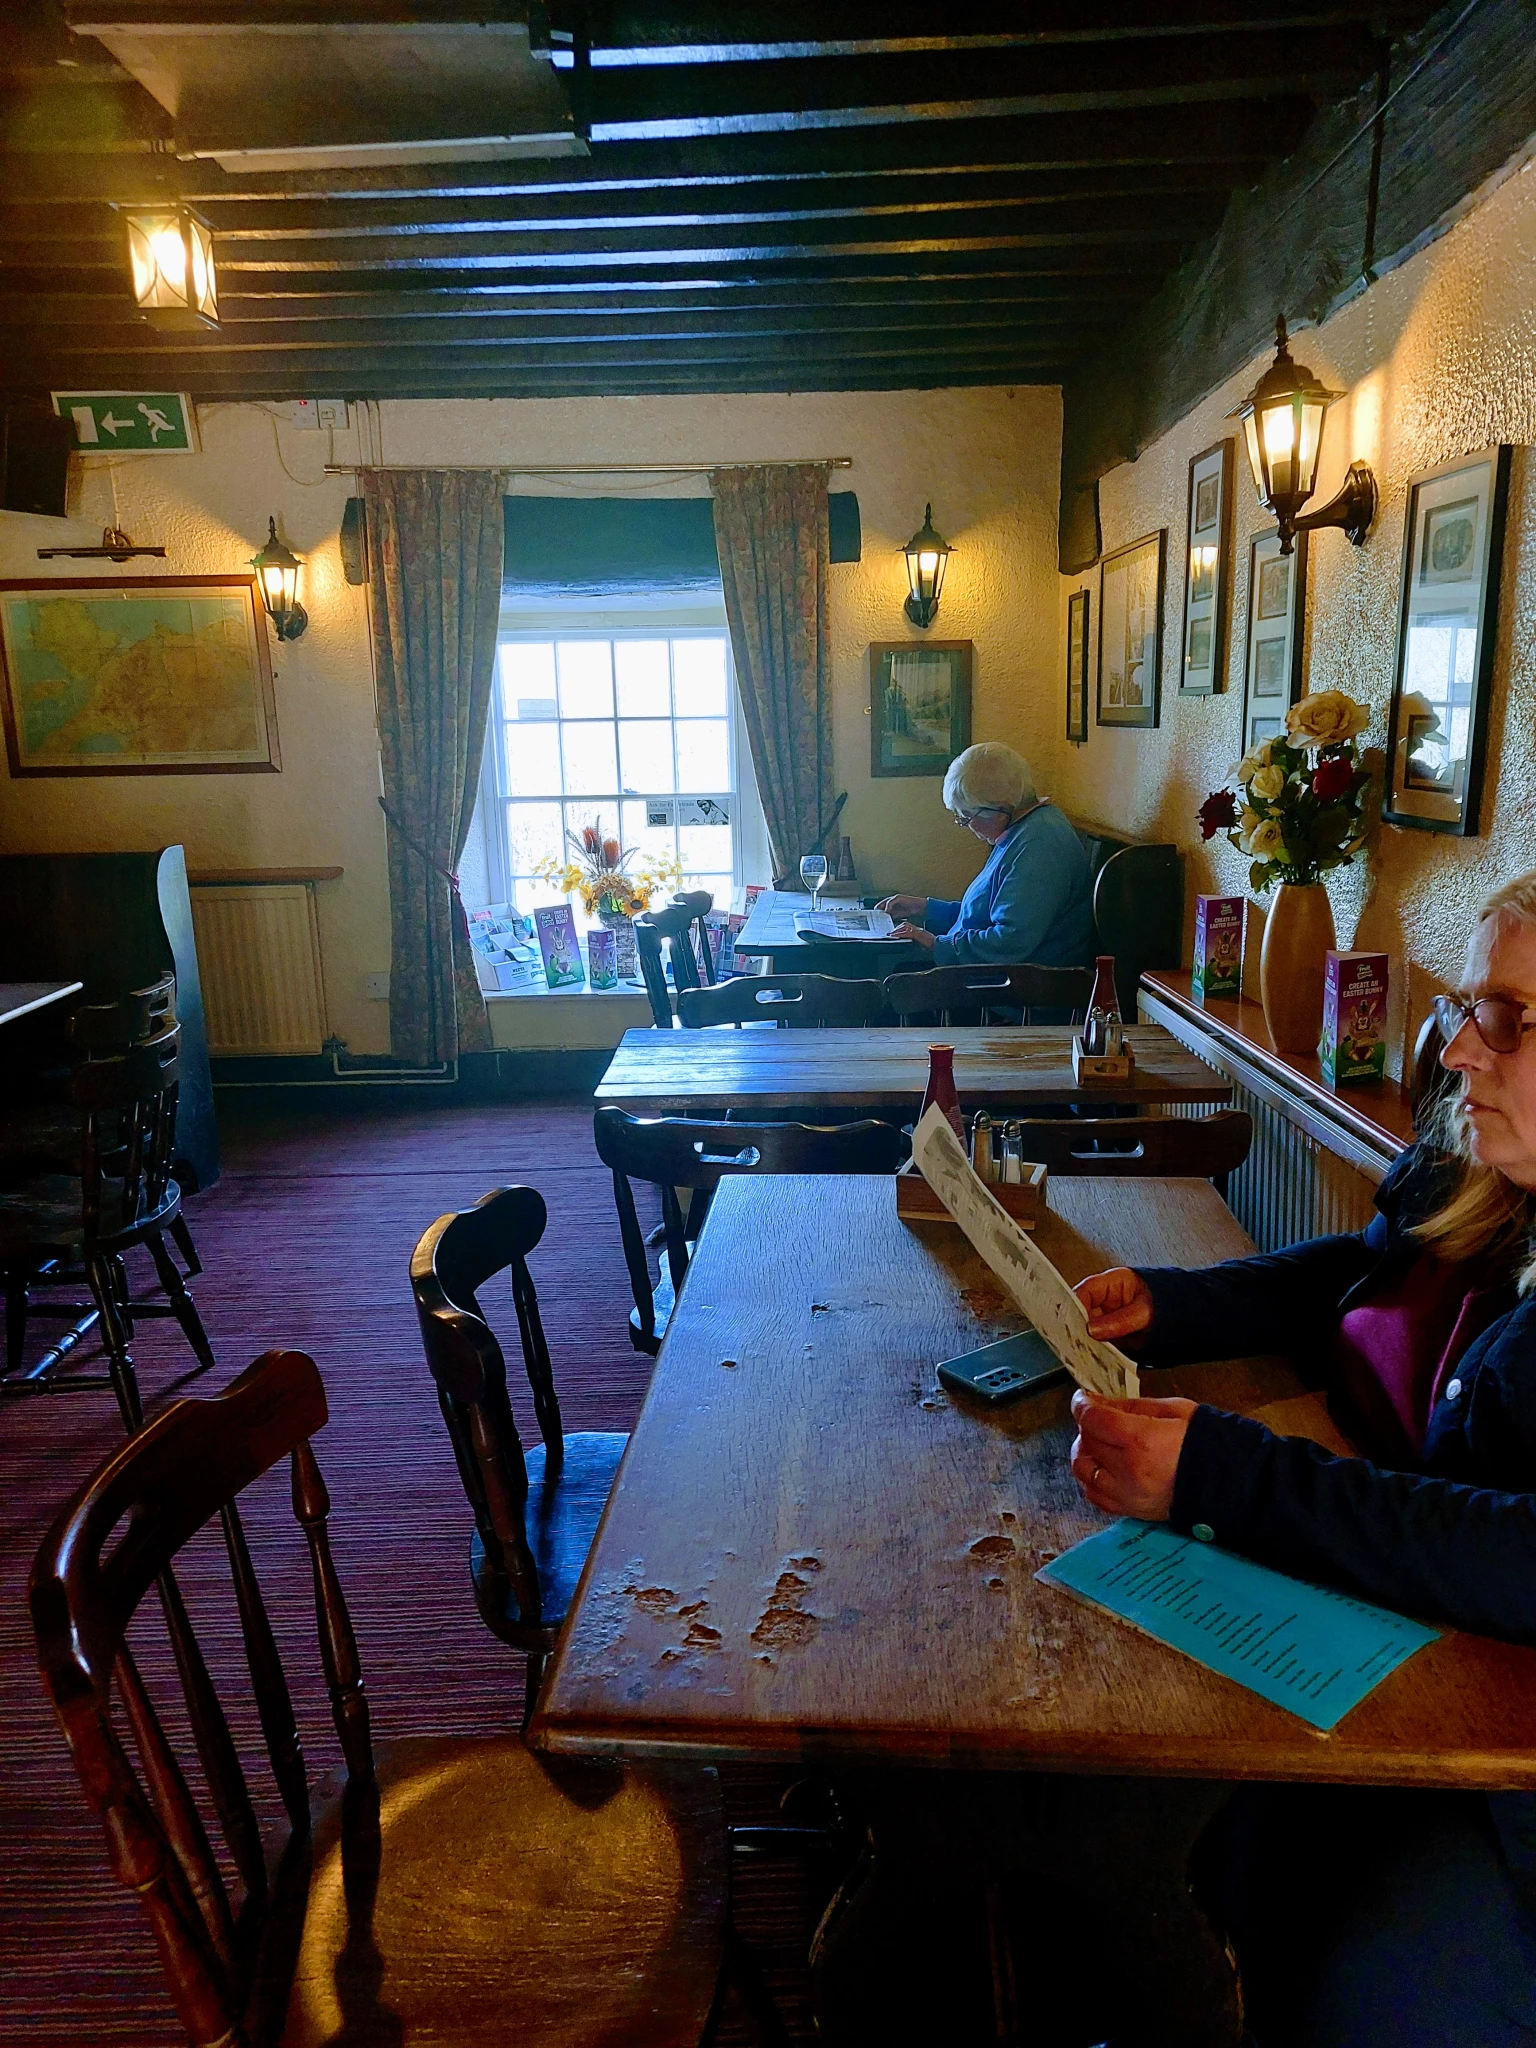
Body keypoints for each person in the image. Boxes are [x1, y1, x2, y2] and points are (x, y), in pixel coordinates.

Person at [1069, 867, 1536, 2047]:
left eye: (1507, 1017)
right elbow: (1360, 1267)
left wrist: (1226, 1474)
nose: (1460, 1051)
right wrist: (1175, 1304)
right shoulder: (1483, 1160)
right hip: (1387, 1608)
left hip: (1494, 1763)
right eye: (1468, 1008)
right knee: (1130, 1760)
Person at [875, 741, 1094, 968]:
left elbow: (1009, 941)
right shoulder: (1023, 829)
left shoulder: (1038, 846)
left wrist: (935, 944)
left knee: (893, 977)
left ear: (998, 809)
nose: (967, 827)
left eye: (966, 818)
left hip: (1021, 984)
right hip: (997, 973)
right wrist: (925, 907)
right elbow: (983, 916)